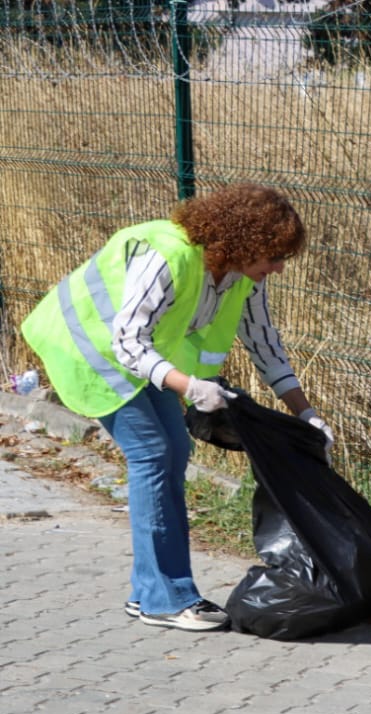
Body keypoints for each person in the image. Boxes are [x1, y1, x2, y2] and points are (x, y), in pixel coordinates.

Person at [19, 183, 334, 632]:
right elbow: (128, 341)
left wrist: (306, 414)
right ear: (244, 243)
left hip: (146, 360)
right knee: (153, 454)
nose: (280, 267)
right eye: (274, 255)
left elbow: (265, 346)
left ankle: (147, 591)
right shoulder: (169, 257)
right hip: (91, 349)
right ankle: (165, 599)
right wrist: (191, 387)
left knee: (174, 452)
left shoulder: (244, 276)